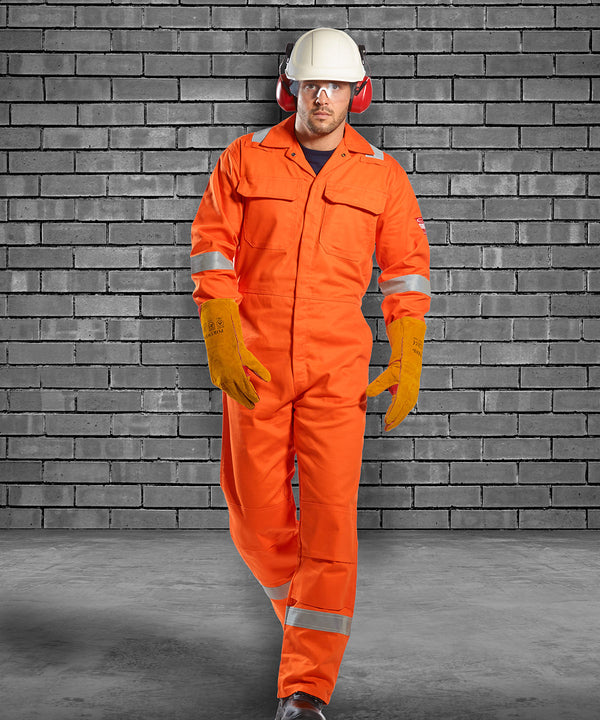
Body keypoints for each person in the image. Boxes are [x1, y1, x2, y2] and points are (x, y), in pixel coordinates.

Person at [190, 27, 431, 720]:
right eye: (310, 84)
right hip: (255, 363)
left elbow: (406, 271)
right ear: (288, 88)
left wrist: (407, 351)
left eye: (335, 86)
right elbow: (211, 250)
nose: (321, 97)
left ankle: (305, 691)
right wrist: (220, 335)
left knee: (330, 525)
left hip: (337, 370)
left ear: (359, 94)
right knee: (255, 521)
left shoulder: (382, 175)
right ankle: (308, 613)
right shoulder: (245, 158)